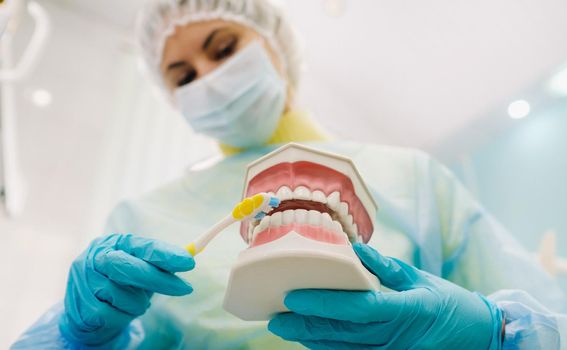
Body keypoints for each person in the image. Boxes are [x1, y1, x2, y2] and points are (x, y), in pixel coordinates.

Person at [12, 0, 567, 349]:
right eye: (182, 75)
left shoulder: (413, 177)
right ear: (174, 101)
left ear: (277, 48)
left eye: (224, 47)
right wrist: (81, 337)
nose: (207, 79)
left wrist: (491, 334)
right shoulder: (145, 218)